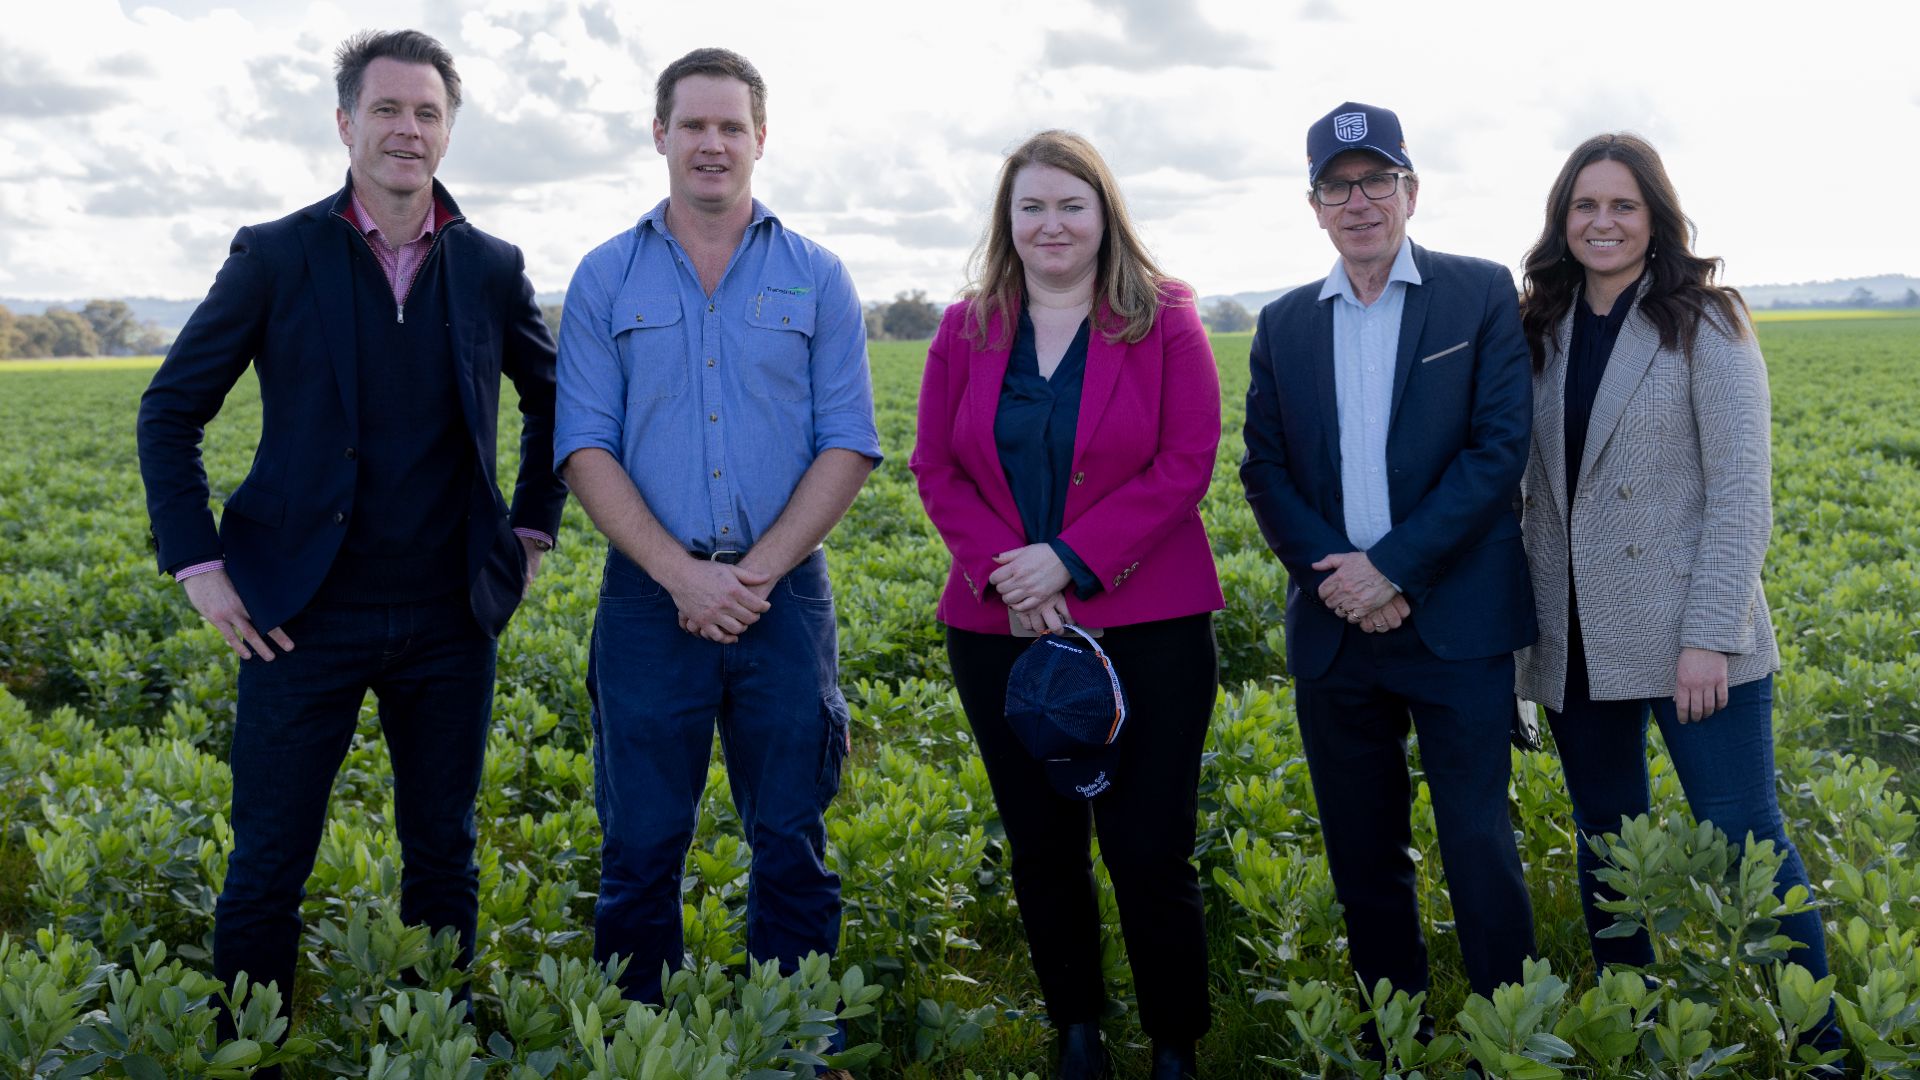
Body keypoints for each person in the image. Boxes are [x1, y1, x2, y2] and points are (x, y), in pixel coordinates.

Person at [135, 28, 564, 1064]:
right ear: (345, 124)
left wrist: (532, 527)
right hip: (298, 617)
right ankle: (249, 1046)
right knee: (269, 859)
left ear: (448, 130)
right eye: (387, 109)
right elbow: (169, 410)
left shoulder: (492, 266)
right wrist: (201, 569)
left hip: (448, 618)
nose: (407, 130)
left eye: (426, 113)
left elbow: (557, 399)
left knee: (444, 856)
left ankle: (437, 1045)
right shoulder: (276, 255)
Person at [553, 48, 880, 1006]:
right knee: (641, 839)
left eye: (731, 126)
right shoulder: (606, 276)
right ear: (659, 135)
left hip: (785, 600)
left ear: (761, 139)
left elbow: (848, 443)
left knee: (790, 833)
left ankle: (794, 1037)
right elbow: (584, 449)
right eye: (692, 125)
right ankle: (638, 1036)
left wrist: (755, 576)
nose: (711, 143)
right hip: (649, 603)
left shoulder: (817, 276)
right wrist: (682, 577)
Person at [1513, 133, 1841, 1058]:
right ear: (1562, 220)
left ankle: (1819, 1046)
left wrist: (1709, 636)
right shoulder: (1541, 325)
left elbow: (1742, 492)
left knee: (1747, 846)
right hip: (1574, 634)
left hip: (1695, 636)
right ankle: (1634, 1035)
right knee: (1610, 848)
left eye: (1622, 205)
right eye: (1585, 206)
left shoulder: (1708, 319)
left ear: (1655, 216)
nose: (1602, 222)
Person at [912, 130, 1223, 1080]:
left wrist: (1073, 561)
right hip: (1002, 628)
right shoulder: (966, 328)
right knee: (1042, 845)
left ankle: (1175, 1042)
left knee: (1148, 845)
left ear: (1104, 215)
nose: (1051, 224)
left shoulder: (1163, 316)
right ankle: (1076, 1031)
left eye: (1070, 205)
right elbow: (936, 465)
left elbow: (1186, 463)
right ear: (1008, 222)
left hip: (1149, 627)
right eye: (1031, 207)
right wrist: (1013, 575)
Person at [1238, 102, 1538, 1012]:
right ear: (1315, 205)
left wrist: (1393, 569)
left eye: (1377, 181)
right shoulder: (1284, 322)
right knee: (1361, 852)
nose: (1358, 201)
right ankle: (1389, 1035)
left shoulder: (1479, 292)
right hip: (1338, 632)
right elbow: (1265, 469)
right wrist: (1346, 580)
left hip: (1458, 623)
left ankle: (1508, 1039)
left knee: (1479, 844)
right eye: (1338, 186)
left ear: (1411, 191)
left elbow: (1497, 451)